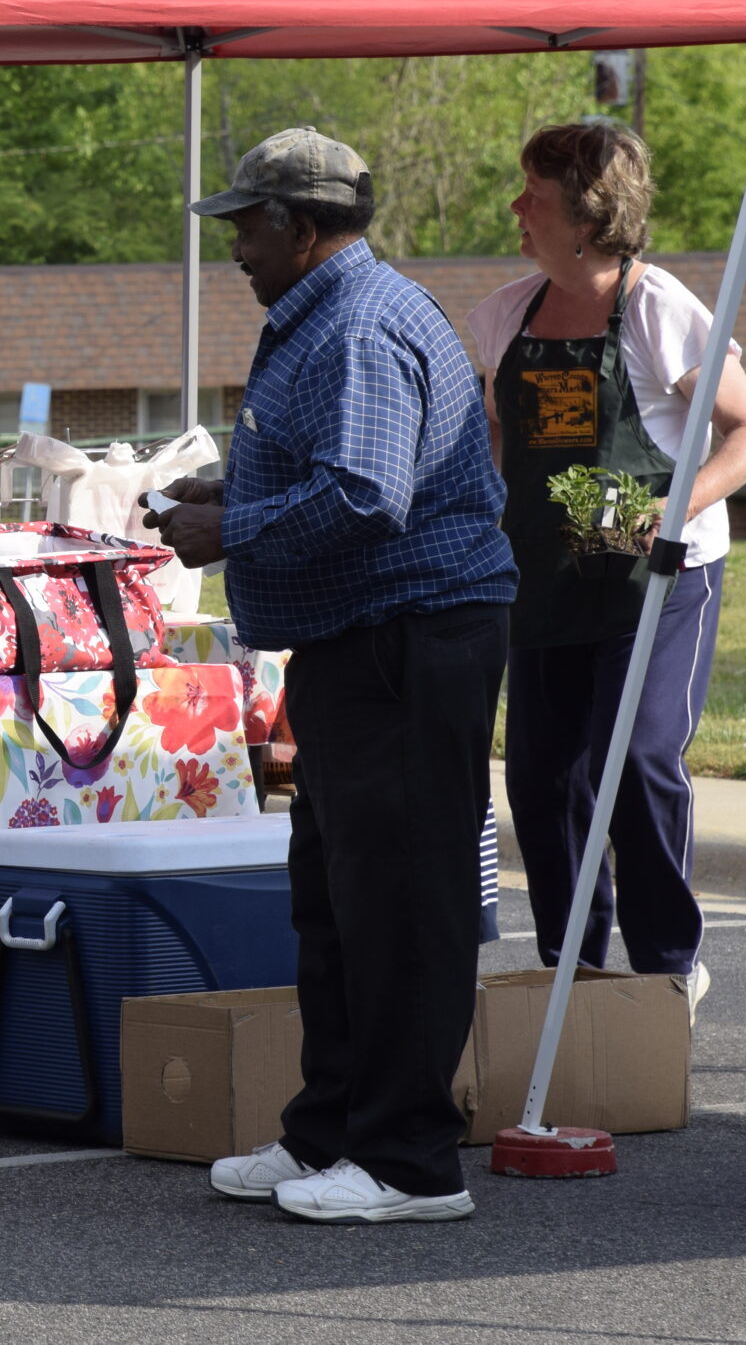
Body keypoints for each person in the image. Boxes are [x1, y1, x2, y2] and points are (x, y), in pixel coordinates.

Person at [145, 127, 515, 1225]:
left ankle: (408, 1165)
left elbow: (365, 496)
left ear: (303, 230)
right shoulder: (332, 313)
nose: (236, 250)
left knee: (401, 903)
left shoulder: (353, 327)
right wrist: (230, 484)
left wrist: (229, 530)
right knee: (339, 900)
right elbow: (343, 468)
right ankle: (333, 1134)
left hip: (410, 635)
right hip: (369, 640)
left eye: (248, 227)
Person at [468, 124, 746, 1009]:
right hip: (548, 576)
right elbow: (493, 438)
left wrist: (673, 511)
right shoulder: (501, 316)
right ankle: (577, 973)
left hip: (660, 581)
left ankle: (669, 967)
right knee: (540, 775)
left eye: (535, 193)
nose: (517, 207)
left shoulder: (659, 311)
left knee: (633, 758)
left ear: (587, 216)